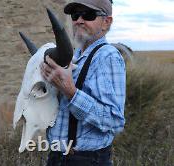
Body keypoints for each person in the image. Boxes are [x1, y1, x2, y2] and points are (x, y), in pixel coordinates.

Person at [40, 0, 126, 165]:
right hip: (57, 156)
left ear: (106, 22)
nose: (79, 20)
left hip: (85, 159)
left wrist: (70, 91)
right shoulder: (74, 55)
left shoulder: (107, 57)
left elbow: (114, 121)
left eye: (88, 14)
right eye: (75, 15)